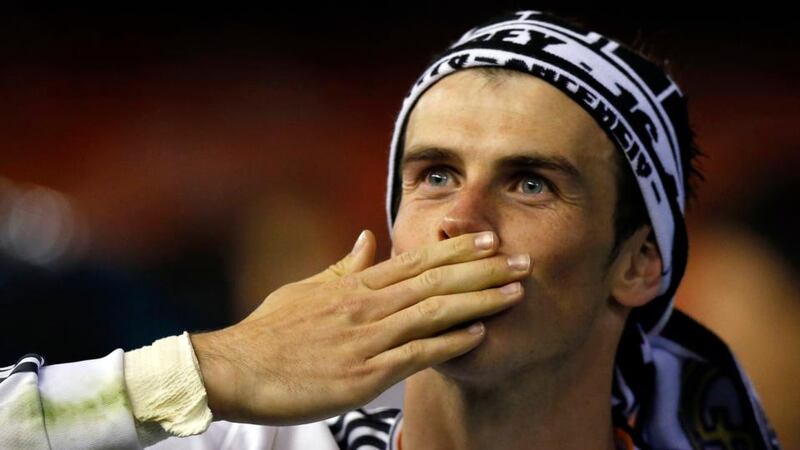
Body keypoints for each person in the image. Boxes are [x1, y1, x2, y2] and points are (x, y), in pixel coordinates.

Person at [0, 10, 781, 450]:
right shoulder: (237, 441)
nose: (460, 223)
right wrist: (210, 368)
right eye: (435, 175)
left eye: (531, 183)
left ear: (639, 263)